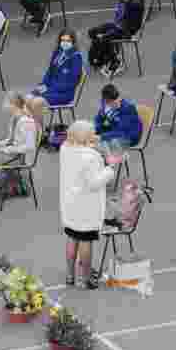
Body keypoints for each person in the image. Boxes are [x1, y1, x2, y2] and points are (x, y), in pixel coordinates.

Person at [60, 120, 119, 288]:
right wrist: (110, 168)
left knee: (72, 238)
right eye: (92, 133)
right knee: (86, 241)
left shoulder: (65, 149)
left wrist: (92, 144)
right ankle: (86, 278)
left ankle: (70, 275)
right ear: (86, 137)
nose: (95, 135)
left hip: (70, 202)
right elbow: (95, 183)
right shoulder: (91, 157)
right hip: (86, 205)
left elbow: (81, 150)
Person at [88, 0, 145, 78]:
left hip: (128, 30)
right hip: (118, 25)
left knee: (103, 37)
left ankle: (116, 62)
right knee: (92, 32)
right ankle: (101, 59)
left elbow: (136, 5)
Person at [31, 31, 85, 108]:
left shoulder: (76, 57)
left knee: (36, 102)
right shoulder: (57, 52)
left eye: (68, 41)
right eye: (63, 40)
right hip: (51, 89)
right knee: (28, 97)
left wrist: (49, 89)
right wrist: (43, 85)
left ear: (73, 42)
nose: (65, 43)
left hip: (64, 94)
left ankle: (35, 116)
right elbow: (49, 72)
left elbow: (71, 82)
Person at [93, 84, 143, 154]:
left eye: (116, 102)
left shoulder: (128, 108)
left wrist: (101, 137)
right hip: (112, 131)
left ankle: (111, 159)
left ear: (119, 98)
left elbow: (121, 132)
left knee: (106, 145)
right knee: (89, 141)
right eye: (109, 103)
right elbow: (99, 120)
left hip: (128, 137)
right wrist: (93, 130)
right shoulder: (105, 103)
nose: (114, 105)